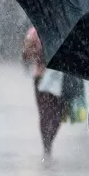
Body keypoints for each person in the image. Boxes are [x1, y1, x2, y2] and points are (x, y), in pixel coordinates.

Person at [22, 26, 68, 162]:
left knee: (58, 114)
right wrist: (41, 52)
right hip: (41, 78)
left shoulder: (67, 30)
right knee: (45, 113)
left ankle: (49, 142)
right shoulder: (34, 32)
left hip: (62, 78)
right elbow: (25, 54)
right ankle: (47, 145)